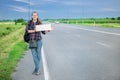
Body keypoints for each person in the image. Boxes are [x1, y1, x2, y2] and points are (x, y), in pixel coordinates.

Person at [25, 11, 49, 75]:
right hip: (32, 41)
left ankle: (36, 69)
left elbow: (43, 32)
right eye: (33, 15)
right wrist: (34, 30)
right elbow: (27, 31)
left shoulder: (40, 23)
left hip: (39, 41)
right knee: (34, 55)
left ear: (37, 16)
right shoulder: (29, 23)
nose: (35, 16)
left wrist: (48, 30)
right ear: (32, 16)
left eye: (36, 15)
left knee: (38, 55)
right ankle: (37, 68)